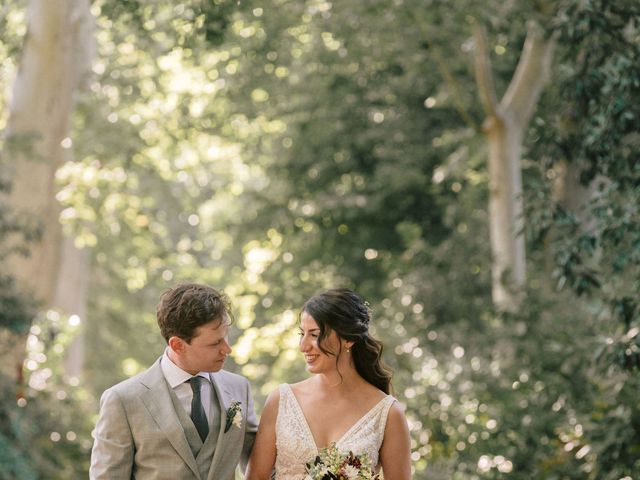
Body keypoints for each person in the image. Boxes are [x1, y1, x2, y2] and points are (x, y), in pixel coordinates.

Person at [90, 283, 257, 480]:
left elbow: (259, 461)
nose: (227, 349)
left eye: (225, 338)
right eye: (215, 343)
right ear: (177, 345)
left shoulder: (239, 388)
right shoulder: (123, 400)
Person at [246, 288, 411, 479]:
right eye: (302, 333)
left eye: (315, 335)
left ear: (348, 339)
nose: (303, 346)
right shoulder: (281, 400)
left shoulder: (388, 413)